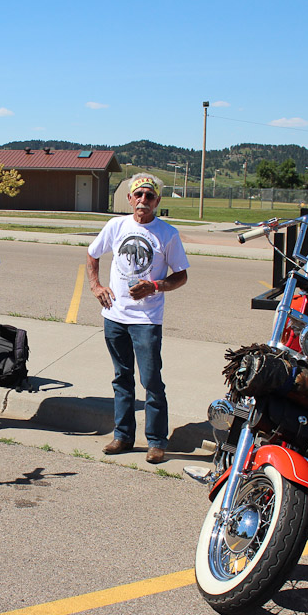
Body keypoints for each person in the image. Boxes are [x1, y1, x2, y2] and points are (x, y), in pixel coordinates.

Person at [86, 174, 189, 464]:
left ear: (157, 201)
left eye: (149, 196)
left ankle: (156, 441)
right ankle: (123, 436)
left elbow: (181, 275)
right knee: (122, 378)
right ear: (130, 199)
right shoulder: (116, 226)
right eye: (138, 195)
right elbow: (92, 254)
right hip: (115, 317)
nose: (143, 200)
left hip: (147, 319)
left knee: (151, 380)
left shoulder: (167, 233)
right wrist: (96, 287)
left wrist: (155, 286)